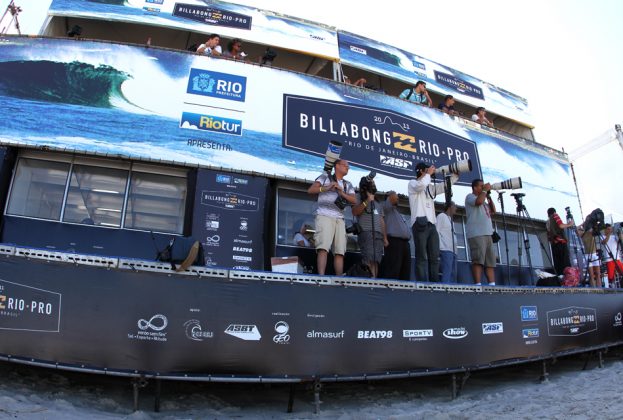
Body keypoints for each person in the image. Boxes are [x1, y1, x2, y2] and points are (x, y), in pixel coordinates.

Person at [408, 163, 458, 282]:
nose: (430, 171)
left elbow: (442, 187)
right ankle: (422, 284)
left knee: (434, 258)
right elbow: (420, 186)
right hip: (420, 223)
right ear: (420, 171)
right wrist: (428, 175)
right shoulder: (412, 183)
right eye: (426, 170)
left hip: (431, 225)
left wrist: (455, 176)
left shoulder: (429, 186)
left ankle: (434, 284)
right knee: (421, 258)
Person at [307, 160, 357, 275]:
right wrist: (326, 188)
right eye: (345, 166)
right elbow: (310, 190)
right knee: (323, 248)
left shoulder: (347, 184)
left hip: (340, 219)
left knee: (340, 251)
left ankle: (339, 278)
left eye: (349, 166)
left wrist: (341, 192)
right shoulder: (324, 177)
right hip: (324, 215)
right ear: (337, 166)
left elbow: (354, 200)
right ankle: (321, 277)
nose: (348, 168)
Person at [352, 178, 388, 278]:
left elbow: (381, 220)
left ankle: (374, 281)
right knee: (368, 258)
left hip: (378, 234)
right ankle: (368, 280)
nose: (374, 185)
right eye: (372, 183)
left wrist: (385, 237)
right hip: (366, 232)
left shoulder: (377, 202)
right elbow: (355, 212)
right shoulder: (358, 196)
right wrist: (367, 200)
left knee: (376, 260)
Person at [465, 179, 497, 285]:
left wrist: (488, 196)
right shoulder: (470, 197)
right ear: (474, 187)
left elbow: (493, 210)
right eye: (481, 186)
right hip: (477, 234)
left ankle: (492, 285)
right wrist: (484, 192)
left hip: (488, 234)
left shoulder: (484, 200)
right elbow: (478, 202)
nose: (483, 188)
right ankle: (477, 285)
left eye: (484, 186)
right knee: (478, 261)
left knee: (490, 262)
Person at [379, 191, 412, 280]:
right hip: (394, 241)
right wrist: (392, 194)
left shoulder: (396, 211)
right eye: (395, 196)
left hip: (405, 243)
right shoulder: (384, 206)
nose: (397, 198)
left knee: (405, 270)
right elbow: (391, 200)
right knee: (393, 269)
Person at [546, 207, 574, 276]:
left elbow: (549, 237)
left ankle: (561, 280)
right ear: (554, 212)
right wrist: (569, 224)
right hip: (561, 243)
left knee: (558, 265)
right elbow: (561, 226)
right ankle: (568, 280)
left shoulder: (547, 222)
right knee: (566, 264)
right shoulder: (555, 216)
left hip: (554, 245)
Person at [437, 201, 458, 283]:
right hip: (446, 250)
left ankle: (452, 293)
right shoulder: (441, 216)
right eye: (454, 206)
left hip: (453, 251)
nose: (456, 208)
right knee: (447, 274)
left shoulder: (451, 220)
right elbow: (436, 231)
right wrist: (441, 246)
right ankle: (445, 292)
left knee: (453, 274)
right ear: (450, 207)